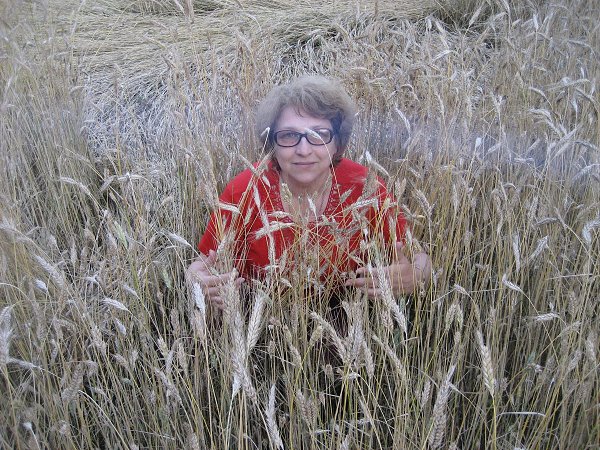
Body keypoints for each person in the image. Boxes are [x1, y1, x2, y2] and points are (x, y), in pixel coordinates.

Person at [187, 75, 432, 310]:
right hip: (262, 321)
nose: (303, 150)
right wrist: (197, 282)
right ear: (272, 144)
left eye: (319, 135)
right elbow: (201, 266)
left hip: (348, 318)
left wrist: (415, 275)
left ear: (337, 143)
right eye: (289, 135)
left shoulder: (365, 187)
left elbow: (421, 259)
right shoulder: (244, 191)